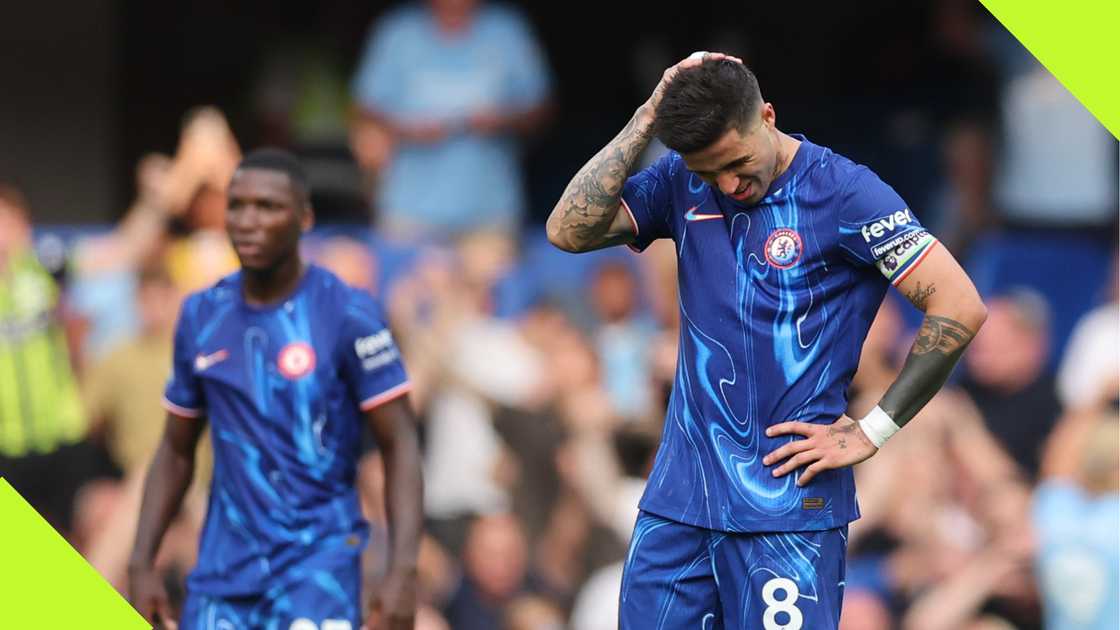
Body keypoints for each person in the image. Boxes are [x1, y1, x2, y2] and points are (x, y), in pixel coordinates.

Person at [546, 53, 988, 628]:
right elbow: (566, 229)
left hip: (787, 510)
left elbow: (959, 304)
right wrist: (649, 115)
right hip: (680, 501)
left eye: (735, 162)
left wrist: (873, 430)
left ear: (769, 117)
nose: (728, 185)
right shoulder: (681, 182)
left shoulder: (847, 194)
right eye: (709, 174)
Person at [127, 149, 423, 630]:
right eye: (237, 205)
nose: (248, 220)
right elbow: (175, 450)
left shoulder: (347, 313)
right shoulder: (202, 316)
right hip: (222, 577)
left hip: (317, 570)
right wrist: (142, 561)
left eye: (268, 207)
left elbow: (400, 443)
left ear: (304, 218)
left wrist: (403, 571)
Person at [350, 0, 552, 239]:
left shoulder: (506, 29)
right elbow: (363, 111)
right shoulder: (399, 32)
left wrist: (501, 120)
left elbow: (542, 109)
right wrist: (407, 129)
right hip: (408, 211)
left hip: (490, 211)